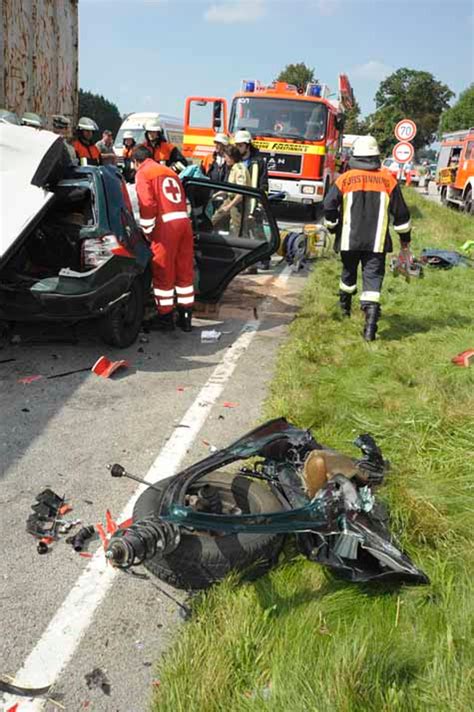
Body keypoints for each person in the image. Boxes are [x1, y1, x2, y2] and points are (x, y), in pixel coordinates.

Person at [323, 135, 411, 341]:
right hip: (376, 243)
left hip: (348, 240)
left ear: (355, 156)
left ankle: (344, 309)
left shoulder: (344, 179)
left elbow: (328, 206)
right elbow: (402, 215)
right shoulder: (388, 180)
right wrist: (405, 240)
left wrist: (333, 226)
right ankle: (370, 329)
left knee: (348, 274)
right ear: (376, 156)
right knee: (372, 282)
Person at [133, 145, 194, 332]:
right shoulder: (169, 171)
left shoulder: (143, 173)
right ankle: (185, 318)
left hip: (166, 226)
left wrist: (146, 230)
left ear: (136, 162)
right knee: (184, 270)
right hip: (184, 222)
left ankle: (166, 318)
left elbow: (147, 204)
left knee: (163, 272)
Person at [234, 129, 270, 269]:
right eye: (236, 145)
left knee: (257, 232)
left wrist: (260, 204)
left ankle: (264, 258)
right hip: (238, 202)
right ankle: (246, 260)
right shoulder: (236, 161)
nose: (238, 148)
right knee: (241, 232)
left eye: (240, 145)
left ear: (248, 145)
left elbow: (263, 183)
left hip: (253, 201)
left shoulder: (258, 162)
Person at [212, 145, 250, 234]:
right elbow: (231, 187)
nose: (225, 159)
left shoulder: (240, 169)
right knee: (216, 218)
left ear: (232, 157)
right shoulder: (233, 168)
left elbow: (240, 193)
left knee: (237, 228)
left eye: (226, 157)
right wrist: (217, 194)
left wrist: (228, 207)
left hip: (238, 204)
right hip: (230, 199)